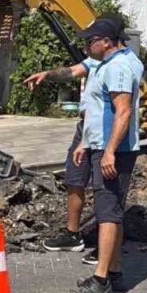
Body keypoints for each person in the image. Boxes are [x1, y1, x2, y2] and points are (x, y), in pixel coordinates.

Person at [64, 15, 144, 293]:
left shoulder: (118, 67)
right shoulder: (113, 63)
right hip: (105, 145)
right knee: (112, 211)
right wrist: (87, 142)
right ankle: (115, 272)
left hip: (115, 151)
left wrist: (109, 151)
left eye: (90, 41)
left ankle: (100, 283)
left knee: (107, 212)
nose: (86, 46)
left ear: (107, 41)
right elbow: (101, 112)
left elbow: (123, 112)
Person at [27, 56, 99, 254]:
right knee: (75, 177)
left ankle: (106, 245)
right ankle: (72, 234)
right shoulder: (95, 60)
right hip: (85, 126)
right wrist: (47, 74)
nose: (88, 46)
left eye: (92, 42)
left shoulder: (120, 63)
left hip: (104, 127)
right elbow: (72, 71)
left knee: (104, 187)